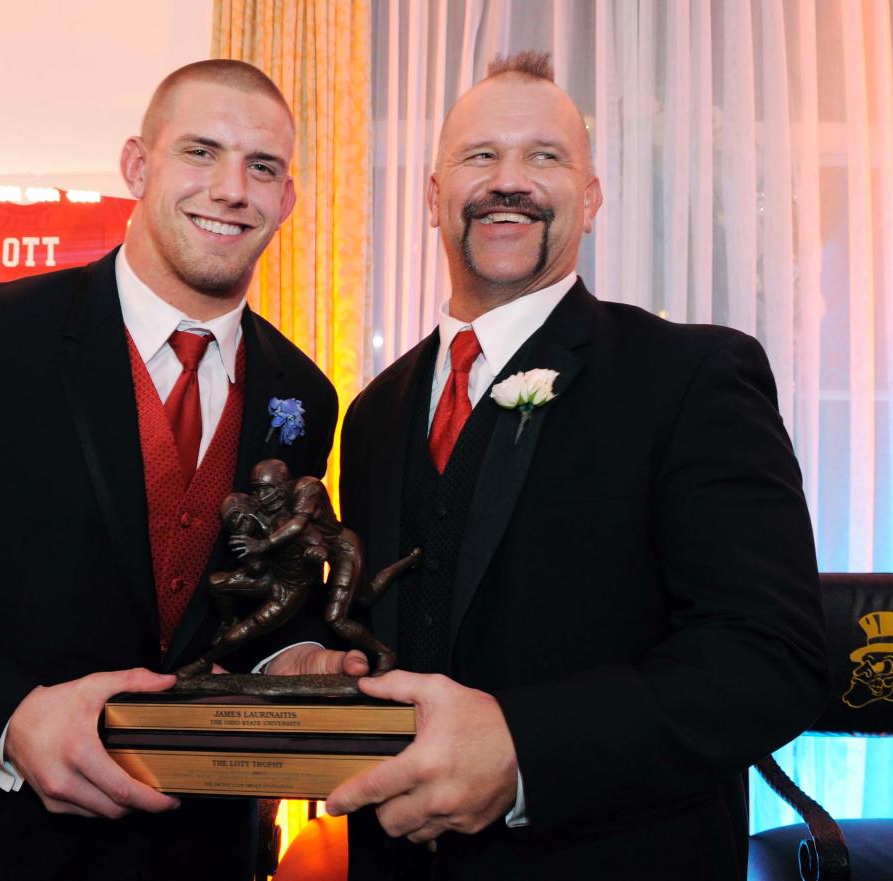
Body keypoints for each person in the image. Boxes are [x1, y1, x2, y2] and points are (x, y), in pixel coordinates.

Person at [0, 60, 355, 881]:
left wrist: (289, 659)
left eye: (262, 166)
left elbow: (257, 590)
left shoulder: (302, 391)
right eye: (200, 151)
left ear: (287, 198)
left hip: (196, 851)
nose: (232, 188)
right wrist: (8, 719)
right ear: (136, 164)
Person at [323, 51, 829, 880]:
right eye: (480, 156)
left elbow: (771, 658)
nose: (508, 180)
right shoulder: (373, 412)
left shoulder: (692, 376)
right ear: (433, 195)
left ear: (589, 200)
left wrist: (525, 751)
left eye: (544, 157)